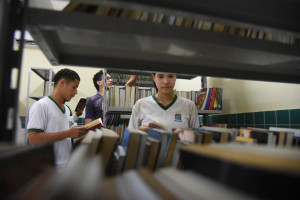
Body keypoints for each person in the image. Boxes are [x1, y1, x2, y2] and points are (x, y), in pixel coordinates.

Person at [27, 68, 87, 170]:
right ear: (62, 83)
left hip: (65, 167)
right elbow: (33, 139)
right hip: (48, 169)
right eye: (74, 87)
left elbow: (63, 131)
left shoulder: (67, 110)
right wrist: (68, 133)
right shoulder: (41, 106)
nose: (76, 92)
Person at [128, 73, 199, 132]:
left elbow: (197, 140)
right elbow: (131, 139)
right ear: (153, 78)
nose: (166, 81)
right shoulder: (141, 104)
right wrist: (141, 135)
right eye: (160, 76)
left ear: (175, 77)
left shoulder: (189, 105)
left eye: (171, 76)